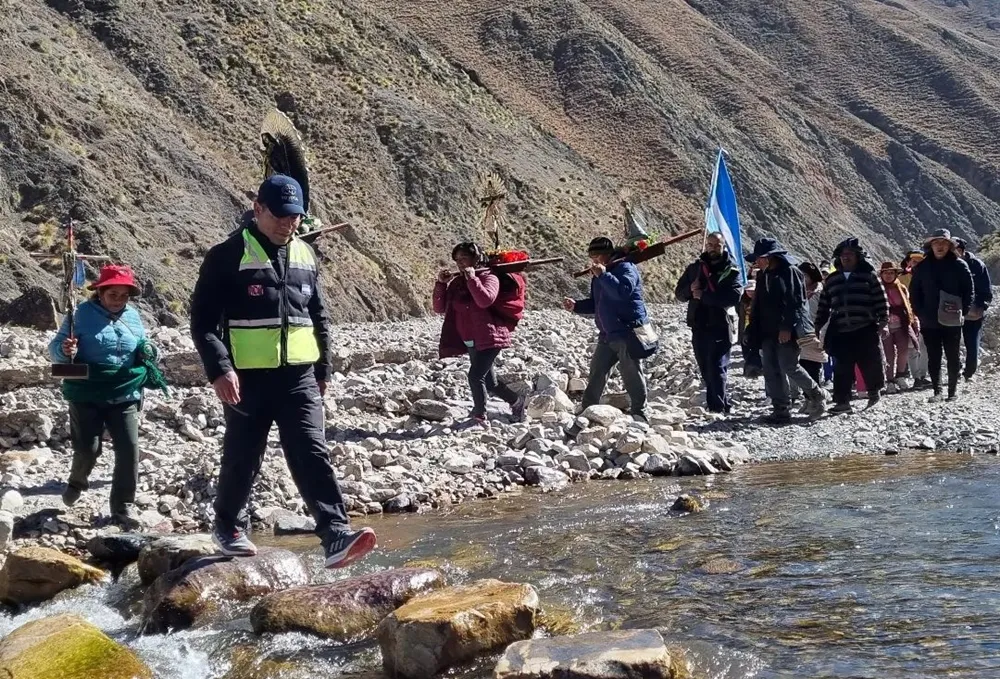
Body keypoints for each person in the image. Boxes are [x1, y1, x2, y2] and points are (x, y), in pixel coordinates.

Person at [190, 174, 375, 568]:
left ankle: (336, 534)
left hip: (299, 376)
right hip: (246, 378)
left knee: (311, 449)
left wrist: (323, 368)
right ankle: (228, 525)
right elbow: (203, 322)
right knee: (244, 453)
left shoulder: (306, 255)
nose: (287, 224)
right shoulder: (225, 256)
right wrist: (219, 369)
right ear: (258, 208)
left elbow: (318, 315)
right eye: (279, 215)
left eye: (294, 217)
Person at [48, 265, 165, 529]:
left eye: (124, 296)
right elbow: (55, 350)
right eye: (114, 294)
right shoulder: (80, 315)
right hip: (87, 392)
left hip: (125, 391)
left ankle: (122, 508)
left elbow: (144, 347)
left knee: (129, 449)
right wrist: (66, 349)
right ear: (100, 292)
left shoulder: (133, 317)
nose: (119, 301)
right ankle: (77, 481)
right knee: (88, 449)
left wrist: (150, 350)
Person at [433, 242, 526, 425]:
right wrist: (441, 285)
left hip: (491, 337)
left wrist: (473, 280)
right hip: (469, 338)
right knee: (489, 381)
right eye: (457, 260)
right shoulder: (457, 282)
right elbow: (439, 308)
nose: (460, 263)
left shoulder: (490, 277)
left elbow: (485, 300)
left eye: (464, 258)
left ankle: (479, 415)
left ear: (476, 259)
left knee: (475, 376)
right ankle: (517, 401)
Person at [563, 236, 652, 423]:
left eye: (597, 256)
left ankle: (640, 412)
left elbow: (623, 292)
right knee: (597, 370)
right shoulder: (600, 274)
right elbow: (597, 303)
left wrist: (604, 275)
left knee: (632, 373)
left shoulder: (626, 268)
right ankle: (588, 407)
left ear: (607, 255)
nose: (594, 260)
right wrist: (576, 306)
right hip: (607, 332)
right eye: (592, 256)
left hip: (627, 331)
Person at [744, 238, 827, 423]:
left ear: (769, 257)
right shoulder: (763, 275)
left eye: (758, 258)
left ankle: (817, 394)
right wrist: (752, 328)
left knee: (789, 365)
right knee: (771, 369)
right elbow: (758, 303)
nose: (756, 262)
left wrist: (786, 327)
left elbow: (795, 302)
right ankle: (780, 410)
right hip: (766, 330)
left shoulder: (790, 272)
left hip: (786, 331)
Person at [814, 238, 888, 413]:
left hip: (866, 328)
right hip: (840, 330)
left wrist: (883, 322)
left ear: (858, 257)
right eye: (842, 255)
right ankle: (842, 402)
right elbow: (824, 305)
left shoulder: (869, 277)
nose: (846, 257)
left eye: (850, 254)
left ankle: (874, 392)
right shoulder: (832, 280)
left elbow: (881, 301)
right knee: (841, 367)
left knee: (871, 363)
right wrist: (818, 326)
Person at [675, 232, 742, 413]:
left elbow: (734, 296)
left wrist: (704, 296)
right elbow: (679, 294)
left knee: (717, 366)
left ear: (723, 247)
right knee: (705, 366)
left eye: (717, 245)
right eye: (710, 245)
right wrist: (691, 289)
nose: (713, 248)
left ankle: (716, 408)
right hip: (699, 325)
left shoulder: (731, 270)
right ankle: (722, 402)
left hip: (720, 324)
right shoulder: (694, 269)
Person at [909, 229, 974, 402]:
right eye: (936, 243)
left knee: (953, 355)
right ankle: (937, 391)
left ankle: (952, 392)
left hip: (952, 318)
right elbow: (914, 292)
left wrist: (964, 310)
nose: (939, 246)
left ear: (949, 246)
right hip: (929, 320)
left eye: (943, 243)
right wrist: (919, 312)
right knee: (933, 355)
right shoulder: (922, 268)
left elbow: (969, 290)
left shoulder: (960, 265)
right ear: (931, 246)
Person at [955, 238, 993, 381]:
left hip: (974, 312)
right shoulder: (948, 265)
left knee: (972, 343)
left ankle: (969, 373)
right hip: (953, 311)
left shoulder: (977, 265)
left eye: (955, 249)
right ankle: (955, 371)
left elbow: (986, 289)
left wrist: (982, 307)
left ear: (962, 250)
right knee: (953, 344)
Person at [878, 262, 918, 393]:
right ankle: (889, 380)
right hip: (885, 326)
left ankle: (900, 376)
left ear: (895, 274)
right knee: (889, 354)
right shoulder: (877, 290)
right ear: (881, 274)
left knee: (903, 351)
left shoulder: (901, 288)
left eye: (891, 273)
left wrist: (913, 320)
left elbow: (908, 306)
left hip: (901, 324)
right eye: (886, 273)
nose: (888, 275)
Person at [791, 263, 828, 403]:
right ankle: (808, 399)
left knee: (814, 367)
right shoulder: (798, 292)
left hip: (816, 333)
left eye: (804, 276)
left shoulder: (820, 292)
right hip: (801, 334)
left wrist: (822, 333)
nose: (801, 278)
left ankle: (817, 399)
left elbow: (826, 314)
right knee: (802, 366)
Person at [900, 249, 930, 387]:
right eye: (914, 261)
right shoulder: (901, 278)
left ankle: (922, 375)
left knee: (924, 346)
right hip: (908, 316)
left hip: (925, 314)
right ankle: (917, 377)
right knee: (912, 347)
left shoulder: (929, 275)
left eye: (920, 261)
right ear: (908, 262)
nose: (917, 263)